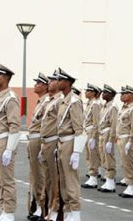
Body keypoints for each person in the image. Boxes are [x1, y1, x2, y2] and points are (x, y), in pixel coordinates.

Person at [0, 63, 21, 221]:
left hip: (3, 143)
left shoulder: (10, 99)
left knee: (6, 180)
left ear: (6, 78)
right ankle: (4, 211)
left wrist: (9, 149)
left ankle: (9, 212)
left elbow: (14, 126)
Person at [55, 68, 85, 221]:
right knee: (64, 180)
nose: (57, 82)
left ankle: (76, 212)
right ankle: (69, 211)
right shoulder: (63, 100)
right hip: (61, 143)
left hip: (69, 143)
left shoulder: (74, 101)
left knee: (71, 179)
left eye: (60, 80)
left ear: (67, 83)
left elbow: (79, 129)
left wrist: (76, 152)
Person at [39, 69, 64, 221]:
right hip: (46, 142)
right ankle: (50, 208)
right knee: (47, 179)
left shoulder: (60, 101)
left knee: (56, 180)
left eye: (53, 80)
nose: (49, 83)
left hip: (54, 141)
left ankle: (56, 210)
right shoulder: (50, 101)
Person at [27, 73, 50, 220]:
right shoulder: (40, 101)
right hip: (33, 140)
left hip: (39, 140)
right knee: (34, 175)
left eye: (39, 83)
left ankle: (42, 206)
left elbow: (45, 125)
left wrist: (42, 144)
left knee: (40, 176)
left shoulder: (47, 102)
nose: (35, 85)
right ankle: (37, 203)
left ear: (45, 86)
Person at [116, 86, 133, 198]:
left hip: (127, 139)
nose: (122, 95)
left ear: (132, 95)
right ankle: (128, 183)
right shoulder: (124, 108)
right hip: (121, 138)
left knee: (128, 162)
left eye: (126, 93)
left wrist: (131, 141)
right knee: (124, 162)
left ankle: (131, 187)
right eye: (122, 93)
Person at [97, 84, 119, 193]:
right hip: (102, 134)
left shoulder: (113, 107)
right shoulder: (104, 106)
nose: (102, 94)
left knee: (109, 157)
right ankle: (107, 179)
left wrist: (111, 140)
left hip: (107, 134)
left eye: (105, 92)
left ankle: (110, 181)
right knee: (103, 157)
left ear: (111, 94)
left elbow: (114, 124)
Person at [81, 83, 103, 189]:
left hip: (91, 132)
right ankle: (92, 172)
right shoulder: (90, 103)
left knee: (93, 154)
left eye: (88, 91)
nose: (86, 92)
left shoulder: (95, 105)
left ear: (94, 93)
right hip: (87, 131)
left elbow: (96, 122)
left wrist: (94, 136)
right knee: (89, 154)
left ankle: (93, 177)